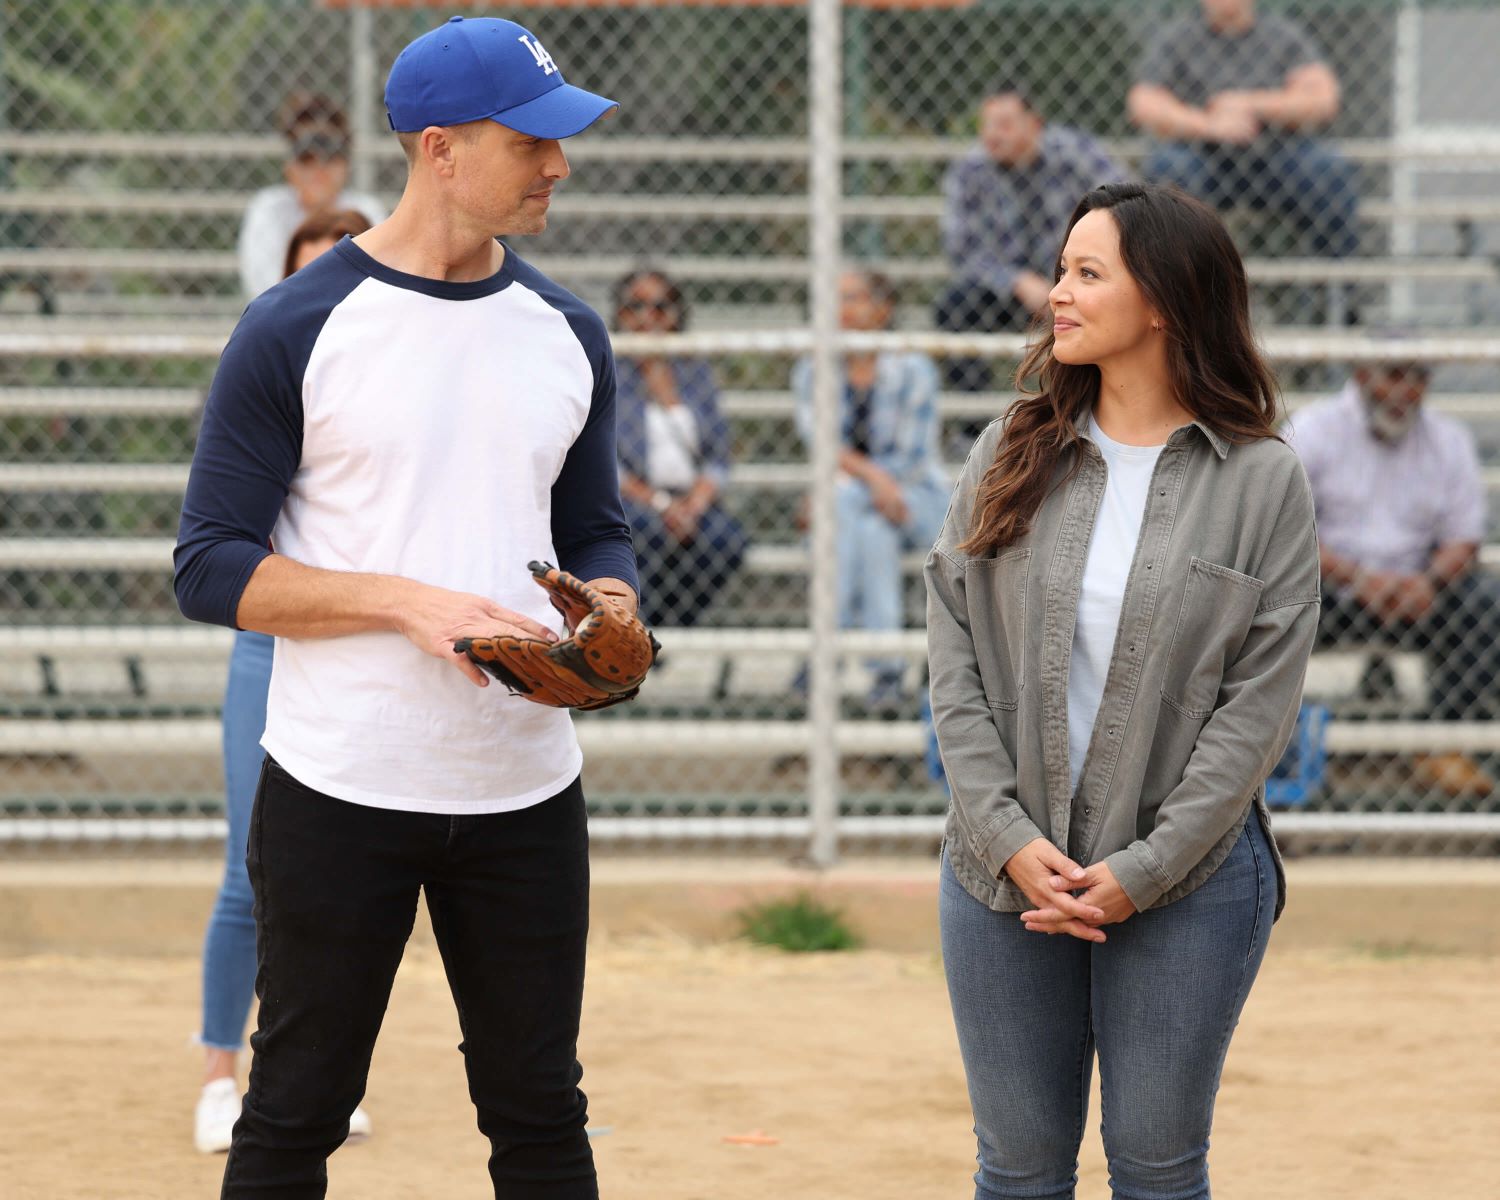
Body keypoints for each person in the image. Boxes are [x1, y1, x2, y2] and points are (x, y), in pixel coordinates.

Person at [174, 16, 632, 1197]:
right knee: (293, 1113)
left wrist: (612, 603)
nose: (558, 165)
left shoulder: (568, 331)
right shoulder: (294, 327)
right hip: (340, 787)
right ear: (440, 147)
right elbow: (212, 566)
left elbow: (594, 529)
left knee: (539, 1113)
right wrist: (403, 604)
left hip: (524, 787)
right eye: (533, 140)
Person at [927, 182, 1320, 1198]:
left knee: (1156, 1172)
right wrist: (1009, 838)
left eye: (1086, 273)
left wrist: (1143, 869)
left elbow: (1255, 717)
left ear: (1164, 302)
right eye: (1061, 270)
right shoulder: (1012, 446)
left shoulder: (1263, 481)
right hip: (999, 876)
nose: (1058, 292)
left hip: (1187, 887)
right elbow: (953, 660)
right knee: (1015, 1172)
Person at [192, 208, 375, 1156]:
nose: (323, 295)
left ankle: (315, 1077)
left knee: (343, 875)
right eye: (306, 273)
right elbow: (220, 546)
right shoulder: (260, 363)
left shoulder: (392, 376)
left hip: (366, 642)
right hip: (274, 640)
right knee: (247, 869)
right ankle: (221, 1074)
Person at [1287, 352, 1500, 795]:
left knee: (1488, 598)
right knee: (1270, 590)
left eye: (1419, 376)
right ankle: (1280, 752)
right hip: (1329, 591)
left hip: (1418, 594)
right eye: (1394, 375)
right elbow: (1284, 529)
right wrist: (1358, 578)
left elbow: (1464, 538)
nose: (1406, 390)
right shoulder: (1313, 429)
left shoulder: (1448, 438)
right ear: (1362, 373)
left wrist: (1429, 581)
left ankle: (1443, 741)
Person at [795, 269, 950, 708]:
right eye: (837, 298)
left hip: (914, 497)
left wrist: (862, 482)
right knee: (871, 535)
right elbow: (821, 441)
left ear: (883, 309)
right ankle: (887, 671)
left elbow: (912, 456)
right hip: (857, 504)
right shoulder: (812, 369)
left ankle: (823, 653)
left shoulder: (913, 368)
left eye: (856, 297)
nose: (844, 308)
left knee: (842, 502)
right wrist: (870, 480)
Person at [1127, 0, 1357, 262]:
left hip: (1277, 155)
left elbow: (1323, 98)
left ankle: (1336, 290)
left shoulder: (1282, 36)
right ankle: (1176, 281)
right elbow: (1143, 102)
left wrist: (1250, 104)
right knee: (1169, 166)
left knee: (1327, 168)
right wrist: (1209, 126)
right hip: (1202, 157)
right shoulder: (1179, 38)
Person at [937, 86, 1125, 355]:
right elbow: (960, 249)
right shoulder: (969, 171)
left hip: (1076, 276)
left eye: (1003, 124)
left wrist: (1071, 274)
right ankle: (973, 395)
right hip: (1007, 292)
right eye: (986, 125)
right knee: (953, 307)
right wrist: (1016, 281)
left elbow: (1123, 201)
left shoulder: (1073, 153)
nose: (992, 134)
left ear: (1034, 124)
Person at [612, 268, 748, 627]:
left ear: (676, 314)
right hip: (636, 499)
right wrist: (662, 505)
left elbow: (719, 456)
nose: (648, 318)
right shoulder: (609, 371)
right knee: (644, 531)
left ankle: (667, 630)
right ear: (621, 315)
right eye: (636, 307)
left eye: (660, 307)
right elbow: (608, 465)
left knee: (726, 540)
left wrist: (696, 503)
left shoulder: (695, 372)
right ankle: (640, 632)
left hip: (691, 498)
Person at [236, 93, 387, 299]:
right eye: (306, 159)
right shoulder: (270, 208)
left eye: (330, 158)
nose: (319, 169)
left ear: (345, 165)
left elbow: (377, 282)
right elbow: (263, 290)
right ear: (289, 167)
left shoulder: (364, 209)